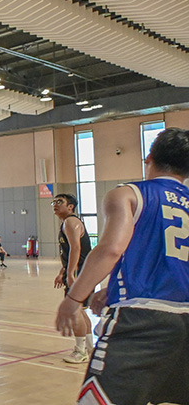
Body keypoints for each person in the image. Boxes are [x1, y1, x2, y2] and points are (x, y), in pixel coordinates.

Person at [56, 128, 189, 405]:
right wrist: (113, 286)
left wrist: (74, 298)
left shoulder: (128, 194)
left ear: (149, 157)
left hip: (142, 319)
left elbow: (111, 249)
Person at [52, 193, 93, 364]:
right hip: (83, 271)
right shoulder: (67, 223)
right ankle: (89, 348)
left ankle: (80, 351)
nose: (55, 204)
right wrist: (63, 271)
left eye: (59, 202)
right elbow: (70, 252)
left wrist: (70, 274)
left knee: (75, 310)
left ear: (70, 207)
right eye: (54, 202)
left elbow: (76, 248)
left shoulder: (71, 222)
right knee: (80, 310)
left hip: (80, 272)